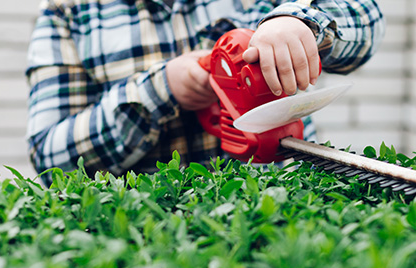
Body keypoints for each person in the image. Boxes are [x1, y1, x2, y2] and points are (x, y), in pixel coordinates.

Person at [26, 0, 385, 183]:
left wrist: (300, 23)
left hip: (284, 204)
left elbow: (366, 18)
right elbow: (50, 158)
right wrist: (161, 89)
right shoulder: (69, 10)